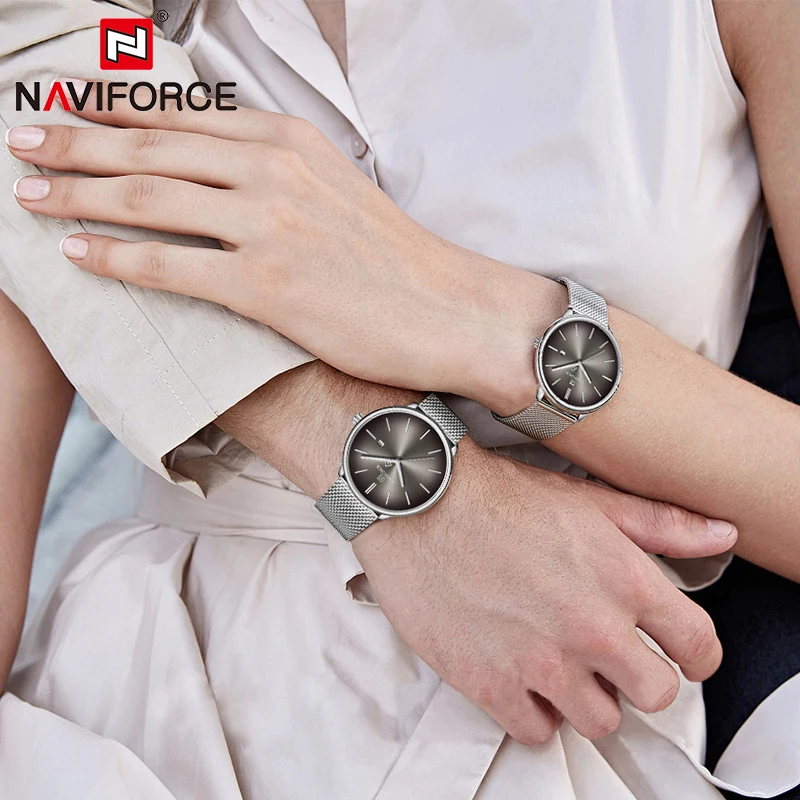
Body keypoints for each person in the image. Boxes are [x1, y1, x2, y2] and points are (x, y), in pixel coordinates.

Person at [1, 0, 799, 797]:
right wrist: (425, 497)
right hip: (147, 715)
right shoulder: (59, 40)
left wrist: (475, 314)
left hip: (578, 693)